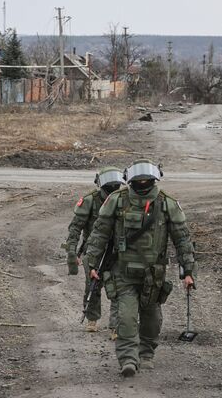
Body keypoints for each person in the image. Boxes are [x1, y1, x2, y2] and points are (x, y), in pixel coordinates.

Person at [85, 158, 196, 377]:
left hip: (153, 275)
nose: (143, 183)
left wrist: (188, 271)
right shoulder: (117, 201)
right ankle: (128, 358)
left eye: (148, 180)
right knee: (125, 317)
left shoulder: (166, 204)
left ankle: (146, 353)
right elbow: (99, 233)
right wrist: (92, 264)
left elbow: (182, 239)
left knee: (152, 320)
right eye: (140, 180)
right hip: (122, 272)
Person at [63, 167, 125, 334]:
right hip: (94, 250)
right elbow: (75, 228)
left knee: (119, 287)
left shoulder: (123, 199)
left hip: (117, 251)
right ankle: (92, 319)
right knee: (93, 286)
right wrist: (72, 252)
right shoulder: (90, 201)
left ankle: (116, 325)